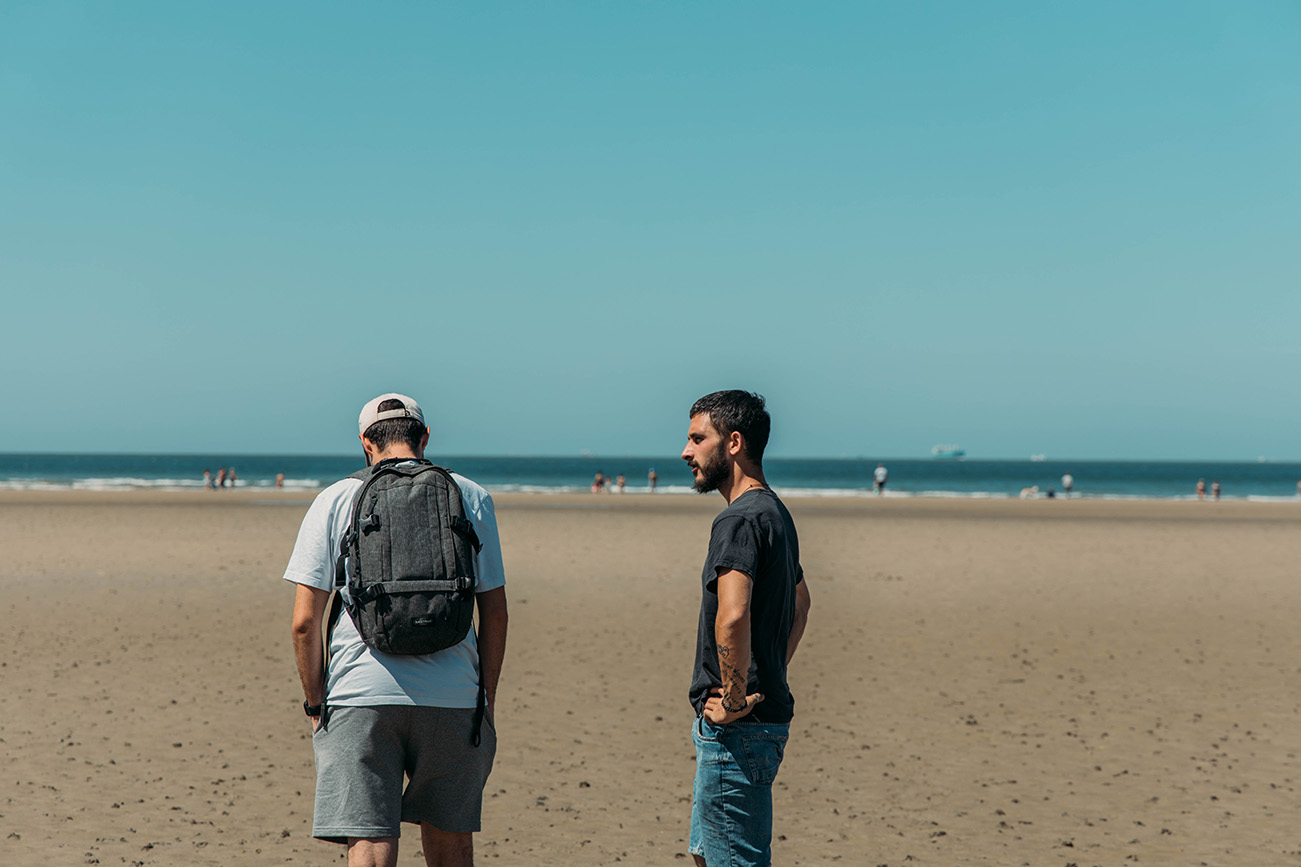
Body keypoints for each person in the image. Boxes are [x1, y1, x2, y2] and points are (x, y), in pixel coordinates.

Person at [284, 393, 508, 867]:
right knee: (451, 845)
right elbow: (495, 613)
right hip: (453, 696)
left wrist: (316, 705)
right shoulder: (471, 496)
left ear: (366, 442)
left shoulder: (335, 498)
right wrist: (484, 699)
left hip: (360, 693)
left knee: (369, 843)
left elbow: (304, 623)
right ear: (424, 438)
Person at [680, 390, 811, 867]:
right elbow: (801, 602)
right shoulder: (774, 512)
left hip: (739, 731)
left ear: (733, 443)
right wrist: (768, 670)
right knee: (708, 855)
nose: (686, 451)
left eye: (698, 439)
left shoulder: (737, 520)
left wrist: (736, 695)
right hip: (759, 724)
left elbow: (733, 614)